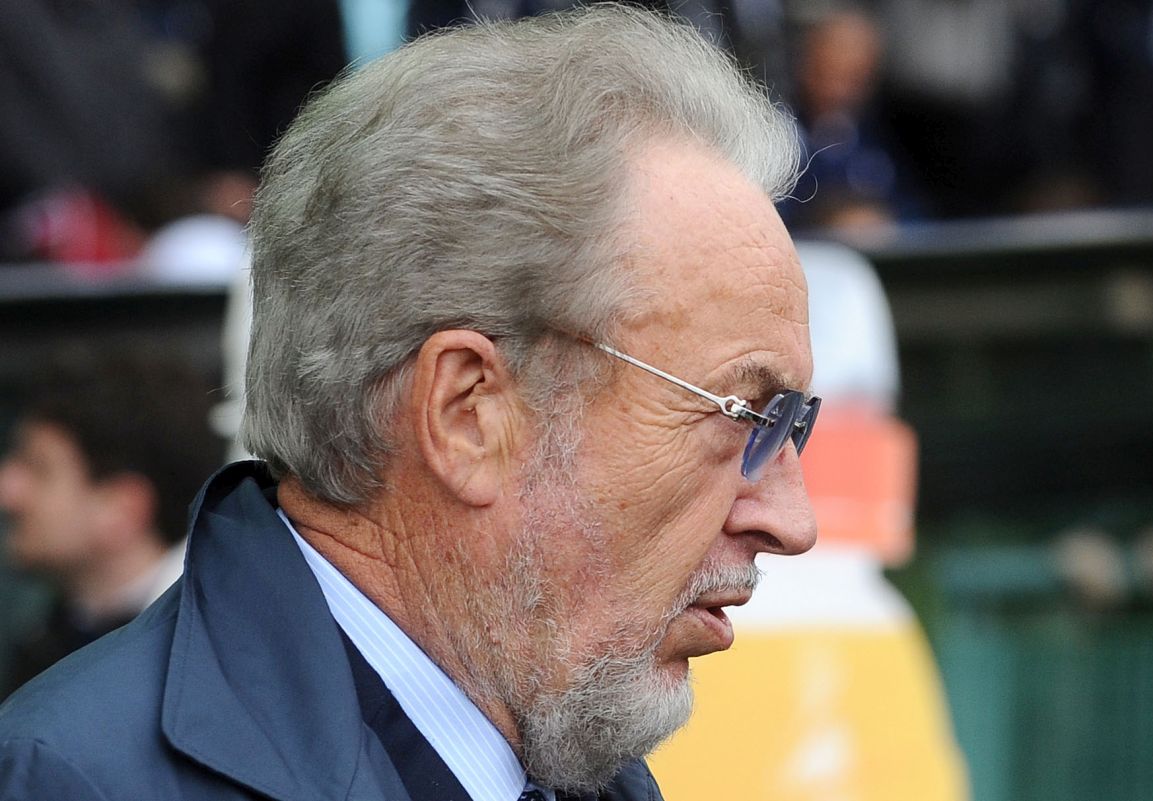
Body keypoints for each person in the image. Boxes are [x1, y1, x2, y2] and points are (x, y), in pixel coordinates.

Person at [0, 6, 820, 800]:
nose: (793, 521)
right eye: (743, 414)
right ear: (469, 412)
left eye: (793, 425)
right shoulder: (76, 779)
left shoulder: (574, 766)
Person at [0, 352, 223, 699]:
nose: (8, 490)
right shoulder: (49, 641)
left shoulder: (205, 659)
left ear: (123, 511)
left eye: (39, 469)